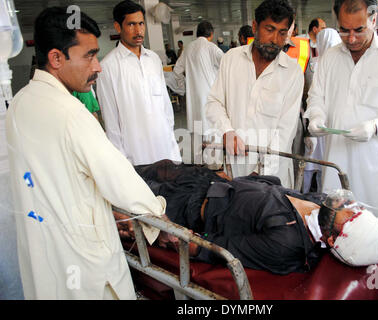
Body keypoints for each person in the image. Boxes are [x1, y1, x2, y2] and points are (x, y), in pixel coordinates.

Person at [5, 6, 176, 300]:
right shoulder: (71, 113)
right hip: (86, 264)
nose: (97, 66)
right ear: (56, 58)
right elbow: (119, 179)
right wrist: (160, 219)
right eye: (89, 55)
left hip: (44, 256)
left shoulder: (19, 106)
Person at [134, 160, 378, 274]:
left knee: (122, 187)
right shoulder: (321, 206)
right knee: (139, 167)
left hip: (184, 207)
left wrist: (172, 235)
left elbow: (214, 249)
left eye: (349, 216)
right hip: (206, 182)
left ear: (333, 239)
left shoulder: (285, 244)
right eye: (356, 209)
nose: (348, 207)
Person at [305, 0, 378, 236]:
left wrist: (376, 126)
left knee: (375, 237)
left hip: (376, 169)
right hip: (336, 165)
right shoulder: (330, 58)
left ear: (373, 19)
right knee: (335, 234)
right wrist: (316, 116)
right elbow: (316, 97)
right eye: (344, 30)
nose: (351, 38)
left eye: (359, 30)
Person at [206, 0, 303, 189]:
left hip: (272, 175)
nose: (275, 39)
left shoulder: (292, 72)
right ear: (255, 26)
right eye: (269, 29)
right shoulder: (231, 59)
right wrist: (227, 130)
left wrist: (259, 173)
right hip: (233, 168)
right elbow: (214, 102)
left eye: (282, 33)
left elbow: (285, 132)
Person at [97, 0, 181, 166]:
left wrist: (173, 148)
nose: (138, 30)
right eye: (131, 24)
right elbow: (111, 122)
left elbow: (165, 107)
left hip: (165, 151)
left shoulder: (154, 59)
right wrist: (123, 164)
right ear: (118, 27)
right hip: (136, 157)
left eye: (141, 24)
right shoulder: (108, 66)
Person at [302, 28, 342, 194]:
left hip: (316, 122)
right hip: (334, 125)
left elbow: (308, 94)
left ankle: (306, 194)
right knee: (329, 165)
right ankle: (322, 194)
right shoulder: (344, 64)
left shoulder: (314, 64)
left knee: (311, 163)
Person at [173, 21, 224, 134]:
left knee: (197, 133)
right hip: (210, 96)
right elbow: (227, 66)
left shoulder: (188, 48)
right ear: (211, 33)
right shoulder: (212, 48)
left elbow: (177, 70)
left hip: (193, 97)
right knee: (213, 133)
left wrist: (183, 89)